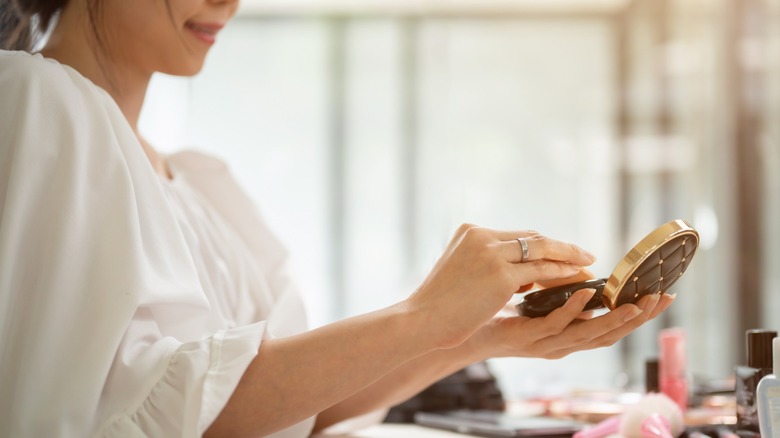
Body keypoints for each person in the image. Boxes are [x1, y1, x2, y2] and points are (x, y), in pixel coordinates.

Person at [0, 0, 675, 436]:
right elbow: (182, 418)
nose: (227, 2)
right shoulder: (35, 101)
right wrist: (421, 317)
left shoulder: (199, 182)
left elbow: (295, 406)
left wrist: (475, 338)